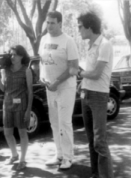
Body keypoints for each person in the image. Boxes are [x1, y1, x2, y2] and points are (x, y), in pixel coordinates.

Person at [77, 11, 115, 178]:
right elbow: (90, 74)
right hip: (86, 94)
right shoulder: (91, 46)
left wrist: (79, 73)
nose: (79, 31)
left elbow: (97, 73)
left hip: (99, 97)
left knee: (100, 141)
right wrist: (82, 84)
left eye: (80, 27)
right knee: (91, 139)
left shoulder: (105, 45)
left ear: (89, 27)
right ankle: (96, 177)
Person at [39, 11, 79, 169]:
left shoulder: (68, 41)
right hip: (50, 88)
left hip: (65, 88)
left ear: (60, 23)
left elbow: (74, 68)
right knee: (54, 123)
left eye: (52, 23)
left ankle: (68, 157)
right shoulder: (43, 39)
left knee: (64, 122)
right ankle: (59, 154)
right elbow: (43, 62)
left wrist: (57, 82)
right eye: (47, 22)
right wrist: (43, 77)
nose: (49, 26)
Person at [0, 45, 33, 171]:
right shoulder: (5, 70)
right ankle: (14, 155)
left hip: (21, 105)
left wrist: (28, 110)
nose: (12, 57)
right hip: (7, 105)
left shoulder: (26, 71)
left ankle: (22, 160)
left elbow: (30, 91)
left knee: (22, 133)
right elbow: (3, 89)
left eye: (15, 54)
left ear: (21, 56)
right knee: (7, 133)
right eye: (11, 54)